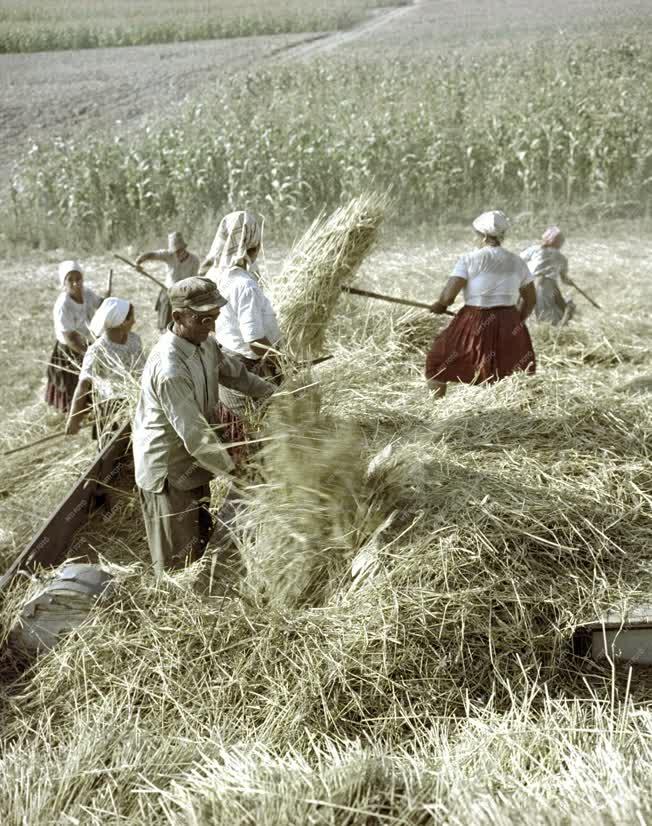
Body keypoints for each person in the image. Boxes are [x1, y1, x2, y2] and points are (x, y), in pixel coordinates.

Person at [133, 276, 274, 575]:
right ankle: (176, 603)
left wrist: (277, 395)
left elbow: (237, 375)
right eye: (203, 319)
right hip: (168, 471)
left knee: (198, 537)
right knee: (177, 565)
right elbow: (196, 437)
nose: (211, 326)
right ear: (178, 317)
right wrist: (236, 472)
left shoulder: (205, 344)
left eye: (215, 317)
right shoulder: (170, 369)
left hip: (193, 463)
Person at [425, 210, 537, 398]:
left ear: (483, 236)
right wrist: (517, 321)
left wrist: (440, 305)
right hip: (509, 320)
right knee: (510, 370)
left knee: (437, 362)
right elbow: (531, 299)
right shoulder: (518, 262)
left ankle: (436, 407)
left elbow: (448, 297)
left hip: (475, 319)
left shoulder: (469, 259)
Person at [65, 297, 144, 445]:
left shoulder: (135, 340)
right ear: (122, 321)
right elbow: (83, 386)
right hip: (112, 410)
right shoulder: (97, 351)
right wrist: (74, 418)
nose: (134, 321)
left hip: (139, 405)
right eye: (131, 318)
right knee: (113, 453)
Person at [46, 260, 102, 412]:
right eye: (70, 280)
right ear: (63, 283)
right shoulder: (63, 305)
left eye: (78, 278)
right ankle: (73, 413)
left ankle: (89, 408)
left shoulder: (87, 293)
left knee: (90, 379)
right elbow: (69, 337)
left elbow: (100, 304)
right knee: (73, 383)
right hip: (70, 349)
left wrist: (107, 302)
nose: (76, 283)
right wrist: (86, 353)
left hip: (86, 341)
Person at [136, 231, 199, 331]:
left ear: (184, 248)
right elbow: (152, 255)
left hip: (183, 293)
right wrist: (139, 261)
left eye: (179, 250)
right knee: (164, 322)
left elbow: (193, 280)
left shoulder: (194, 260)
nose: (177, 253)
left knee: (181, 324)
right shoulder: (168, 255)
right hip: (168, 291)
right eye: (175, 251)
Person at [521, 226, 575, 326]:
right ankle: (562, 319)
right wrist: (569, 281)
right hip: (547, 286)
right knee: (548, 313)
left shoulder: (534, 250)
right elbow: (564, 279)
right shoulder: (561, 258)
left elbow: (520, 260)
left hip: (529, 283)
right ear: (559, 243)